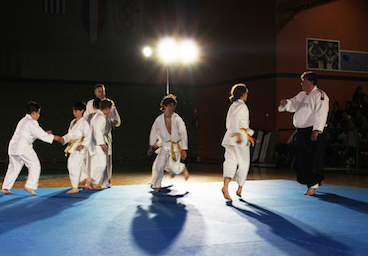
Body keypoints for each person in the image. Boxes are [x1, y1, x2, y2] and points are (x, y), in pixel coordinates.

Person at [278, 71, 329, 196]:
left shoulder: (320, 95)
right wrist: (286, 104)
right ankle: (315, 180)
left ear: (310, 82)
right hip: (301, 132)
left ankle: (312, 186)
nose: (301, 83)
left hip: (313, 131)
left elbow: (321, 113)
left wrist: (316, 130)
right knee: (301, 157)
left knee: (312, 159)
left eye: (304, 80)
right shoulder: (301, 95)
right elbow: (293, 104)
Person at [1, 101, 61, 195]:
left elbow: (33, 133)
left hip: (13, 146)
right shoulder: (31, 122)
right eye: (38, 113)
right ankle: (29, 185)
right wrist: (54, 137)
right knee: (35, 165)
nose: (38, 115)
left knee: (13, 167)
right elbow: (39, 134)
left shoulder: (23, 120)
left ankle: (5, 187)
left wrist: (45, 133)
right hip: (23, 146)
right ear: (34, 113)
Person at [147, 94, 189, 193]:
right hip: (165, 145)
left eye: (173, 106)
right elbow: (153, 132)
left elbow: (183, 134)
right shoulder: (159, 120)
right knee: (159, 165)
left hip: (175, 146)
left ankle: (183, 168)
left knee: (174, 170)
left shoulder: (177, 119)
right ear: (165, 106)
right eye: (170, 105)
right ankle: (157, 186)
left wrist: (184, 149)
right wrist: (151, 146)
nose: (172, 108)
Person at [221, 83, 254, 202]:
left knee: (230, 161)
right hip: (238, 137)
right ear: (243, 94)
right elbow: (237, 121)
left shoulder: (233, 105)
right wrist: (239, 134)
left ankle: (225, 186)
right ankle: (239, 188)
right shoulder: (242, 105)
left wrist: (249, 132)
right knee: (244, 162)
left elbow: (235, 121)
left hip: (229, 137)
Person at [84, 83, 120, 189]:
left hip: (104, 135)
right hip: (96, 137)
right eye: (99, 91)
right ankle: (92, 182)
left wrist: (114, 122)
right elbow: (87, 119)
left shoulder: (110, 103)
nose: (102, 93)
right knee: (95, 161)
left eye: (103, 91)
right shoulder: (91, 105)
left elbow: (116, 118)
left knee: (105, 161)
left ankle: (104, 181)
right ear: (95, 93)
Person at [59, 102, 92, 194]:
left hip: (79, 147)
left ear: (82, 111)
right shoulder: (73, 122)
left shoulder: (84, 122)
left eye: (76, 110)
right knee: (74, 165)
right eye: (73, 110)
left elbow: (88, 136)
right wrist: (63, 139)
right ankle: (86, 179)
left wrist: (82, 145)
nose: (74, 112)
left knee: (73, 165)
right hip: (73, 146)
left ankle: (75, 187)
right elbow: (70, 135)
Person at [85, 99, 112, 190]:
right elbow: (97, 131)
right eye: (110, 109)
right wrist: (102, 144)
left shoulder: (95, 116)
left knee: (98, 164)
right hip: (97, 143)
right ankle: (93, 182)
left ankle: (92, 183)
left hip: (93, 142)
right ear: (107, 109)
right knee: (102, 163)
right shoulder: (100, 117)